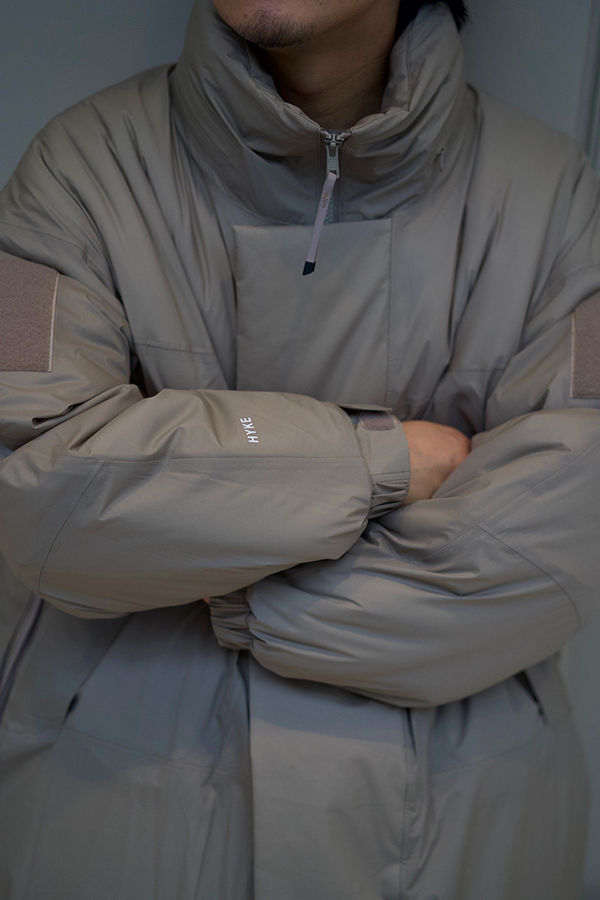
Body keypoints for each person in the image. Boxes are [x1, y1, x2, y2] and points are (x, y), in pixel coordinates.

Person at [0, 0, 598, 897]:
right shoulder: (74, 171)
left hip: (466, 829)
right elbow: (37, 483)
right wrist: (378, 462)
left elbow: (570, 523)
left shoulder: (560, 198)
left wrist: (227, 586)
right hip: (120, 818)